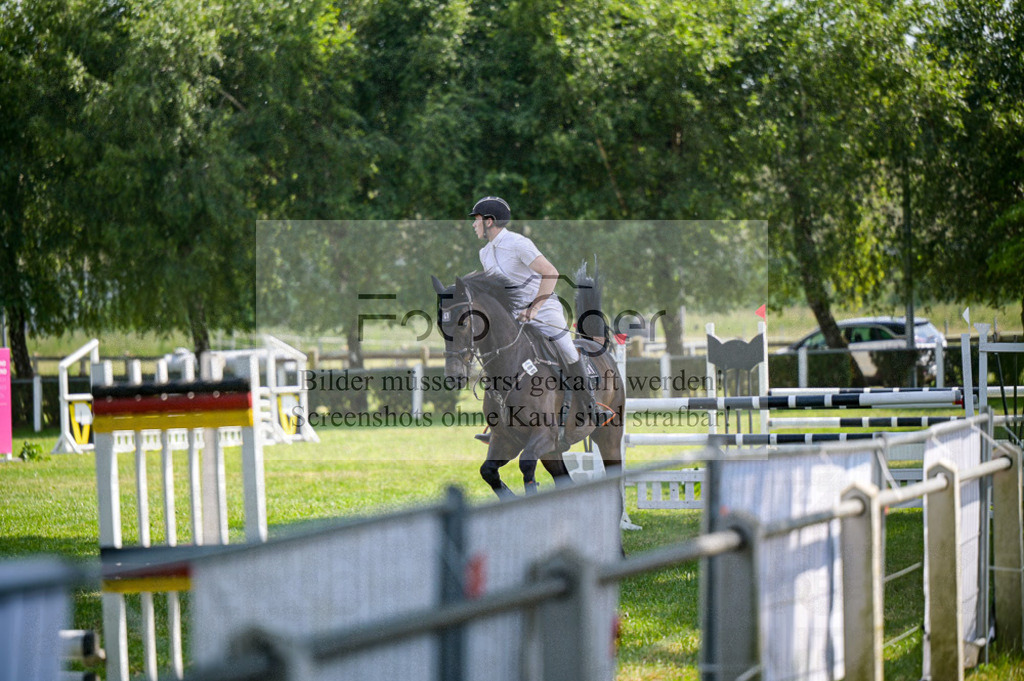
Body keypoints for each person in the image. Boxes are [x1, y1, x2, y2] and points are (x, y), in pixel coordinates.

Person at [469, 196, 610, 425]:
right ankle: (499, 422)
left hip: (543, 309)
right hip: (513, 316)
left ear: (489, 221)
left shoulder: (518, 244)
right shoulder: (484, 253)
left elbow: (551, 273)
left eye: (476, 220)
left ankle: (591, 406)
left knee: (567, 349)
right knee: (496, 354)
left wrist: (534, 308)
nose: (473, 225)